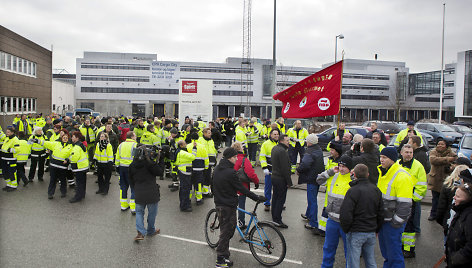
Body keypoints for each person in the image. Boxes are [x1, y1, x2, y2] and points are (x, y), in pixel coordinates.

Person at [212, 147, 265, 268]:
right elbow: (241, 188)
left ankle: (225, 254)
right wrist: (256, 197)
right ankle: (220, 260)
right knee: (227, 232)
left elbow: (212, 184)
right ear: (230, 158)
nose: (237, 159)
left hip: (220, 202)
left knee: (226, 230)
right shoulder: (230, 172)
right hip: (228, 205)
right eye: (235, 157)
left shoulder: (217, 169)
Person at [340, 164, 384, 268]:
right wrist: (377, 229)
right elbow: (381, 212)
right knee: (370, 260)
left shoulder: (352, 191)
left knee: (353, 262)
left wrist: (346, 229)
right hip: (371, 231)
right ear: (367, 174)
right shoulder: (376, 190)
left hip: (356, 231)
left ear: (354, 174)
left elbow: (346, 213)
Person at [377, 147, 413, 268]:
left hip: (392, 223)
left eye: (384, 158)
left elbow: (405, 205)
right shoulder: (384, 173)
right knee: (387, 253)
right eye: (381, 157)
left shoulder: (402, 176)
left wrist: (395, 223)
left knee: (394, 254)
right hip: (384, 221)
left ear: (392, 159)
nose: (381, 160)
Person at [316, 155, 354, 267]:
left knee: (350, 251)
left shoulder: (353, 180)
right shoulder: (334, 176)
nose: (341, 169)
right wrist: (331, 171)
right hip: (332, 220)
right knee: (328, 247)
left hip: (346, 222)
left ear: (350, 168)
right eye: (340, 166)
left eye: (344, 167)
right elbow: (319, 180)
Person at [398, 144, 427, 258]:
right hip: (398, 201)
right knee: (398, 225)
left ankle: (409, 250)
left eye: (410, 152)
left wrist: (413, 199)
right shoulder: (397, 164)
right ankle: (400, 246)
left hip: (410, 202)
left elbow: (422, 187)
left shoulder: (418, 166)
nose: (409, 154)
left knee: (409, 227)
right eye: (407, 152)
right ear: (401, 153)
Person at [129, 145, 163, 241]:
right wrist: (161, 160)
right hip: (151, 192)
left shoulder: (132, 165)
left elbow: (130, 179)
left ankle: (140, 232)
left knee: (139, 212)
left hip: (139, 191)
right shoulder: (150, 163)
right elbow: (160, 172)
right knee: (152, 213)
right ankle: (151, 230)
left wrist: (135, 188)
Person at [35, 130, 74, 199]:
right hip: (54, 166)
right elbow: (46, 143)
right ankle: (50, 193)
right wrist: (37, 141)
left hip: (63, 167)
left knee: (63, 181)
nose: (65, 139)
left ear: (68, 139)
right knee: (52, 180)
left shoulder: (71, 147)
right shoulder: (56, 144)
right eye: (64, 137)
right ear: (61, 138)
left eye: (66, 138)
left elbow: (73, 155)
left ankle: (63, 192)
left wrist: (68, 160)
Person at [297, 133, 324, 230]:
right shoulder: (318, 149)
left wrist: (298, 170)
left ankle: (313, 223)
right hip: (317, 177)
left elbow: (305, 164)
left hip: (311, 178)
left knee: (312, 200)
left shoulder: (309, 151)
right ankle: (308, 214)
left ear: (310, 142)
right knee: (312, 198)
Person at [445, 171, 472, 267]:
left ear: (466, 200)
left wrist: (455, 259)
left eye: (458, 196)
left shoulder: (469, 217)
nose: (454, 197)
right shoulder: (460, 210)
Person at [231, 142, 259, 229]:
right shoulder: (243, 159)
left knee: (231, 205)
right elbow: (251, 174)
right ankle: (241, 223)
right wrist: (256, 182)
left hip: (231, 186)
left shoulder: (230, 159)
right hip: (241, 187)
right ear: (240, 149)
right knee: (241, 205)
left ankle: (230, 222)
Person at [436, 165, 469, 237]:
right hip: (463, 224)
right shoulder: (468, 190)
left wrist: (443, 222)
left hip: (449, 222)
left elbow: (441, 207)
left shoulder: (447, 186)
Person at [428, 139, 457, 221]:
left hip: (446, 180)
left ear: (446, 146)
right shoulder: (433, 152)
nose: (440, 145)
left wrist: (451, 167)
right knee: (435, 199)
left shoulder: (452, 154)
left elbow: (456, 163)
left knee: (444, 200)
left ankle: (442, 215)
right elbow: (433, 160)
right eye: (438, 144)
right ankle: (433, 214)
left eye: (442, 144)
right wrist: (447, 159)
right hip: (435, 180)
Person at [270, 134, 292, 228]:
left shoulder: (275, 148)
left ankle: (274, 217)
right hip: (280, 178)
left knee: (275, 198)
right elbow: (285, 168)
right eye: (287, 140)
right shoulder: (282, 151)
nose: (289, 142)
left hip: (274, 176)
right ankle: (277, 220)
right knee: (280, 200)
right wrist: (289, 182)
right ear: (282, 141)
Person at [115, 131, 138, 213]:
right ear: (132, 137)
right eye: (135, 136)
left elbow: (117, 157)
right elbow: (137, 159)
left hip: (122, 168)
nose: (136, 137)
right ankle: (133, 207)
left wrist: (117, 167)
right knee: (134, 187)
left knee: (123, 187)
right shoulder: (135, 145)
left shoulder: (121, 145)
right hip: (132, 169)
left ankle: (123, 205)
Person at [259, 129, 279, 211]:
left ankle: (278, 202)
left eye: (277, 134)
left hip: (279, 170)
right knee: (268, 188)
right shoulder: (266, 144)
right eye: (274, 134)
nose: (276, 135)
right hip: (269, 170)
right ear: (270, 135)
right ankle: (267, 203)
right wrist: (264, 168)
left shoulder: (280, 144)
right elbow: (262, 157)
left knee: (278, 188)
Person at [174, 140, 196, 212]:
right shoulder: (182, 152)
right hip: (185, 172)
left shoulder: (179, 151)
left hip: (183, 172)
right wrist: (194, 149)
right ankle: (184, 206)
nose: (186, 145)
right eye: (184, 144)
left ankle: (183, 204)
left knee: (183, 189)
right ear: (181, 145)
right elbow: (193, 157)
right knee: (185, 189)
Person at [69, 131, 89, 203]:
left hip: (79, 167)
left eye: (73, 137)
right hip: (83, 166)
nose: (72, 138)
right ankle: (82, 194)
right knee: (83, 182)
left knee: (79, 183)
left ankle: (78, 197)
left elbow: (74, 157)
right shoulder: (81, 145)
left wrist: (70, 161)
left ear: (77, 138)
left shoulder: (76, 147)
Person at [198, 128, 217, 197]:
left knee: (207, 178)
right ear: (204, 133)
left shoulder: (211, 140)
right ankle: (199, 193)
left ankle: (205, 192)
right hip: (202, 162)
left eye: (210, 133)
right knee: (201, 178)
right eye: (209, 133)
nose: (210, 134)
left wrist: (215, 159)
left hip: (209, 163)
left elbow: (213, 151)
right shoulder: (200, 140)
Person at [1, 126, 20, 192]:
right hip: (4, 158)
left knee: (12, 172)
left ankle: (14, 185)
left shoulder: (15, 139)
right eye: (6, 132)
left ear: (12, 132)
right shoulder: (7, 138)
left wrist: (9, 150)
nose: (7, 133)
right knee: (5, 172)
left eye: (8, 132)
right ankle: (9, 184)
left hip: (11, 159)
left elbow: (17, 149)